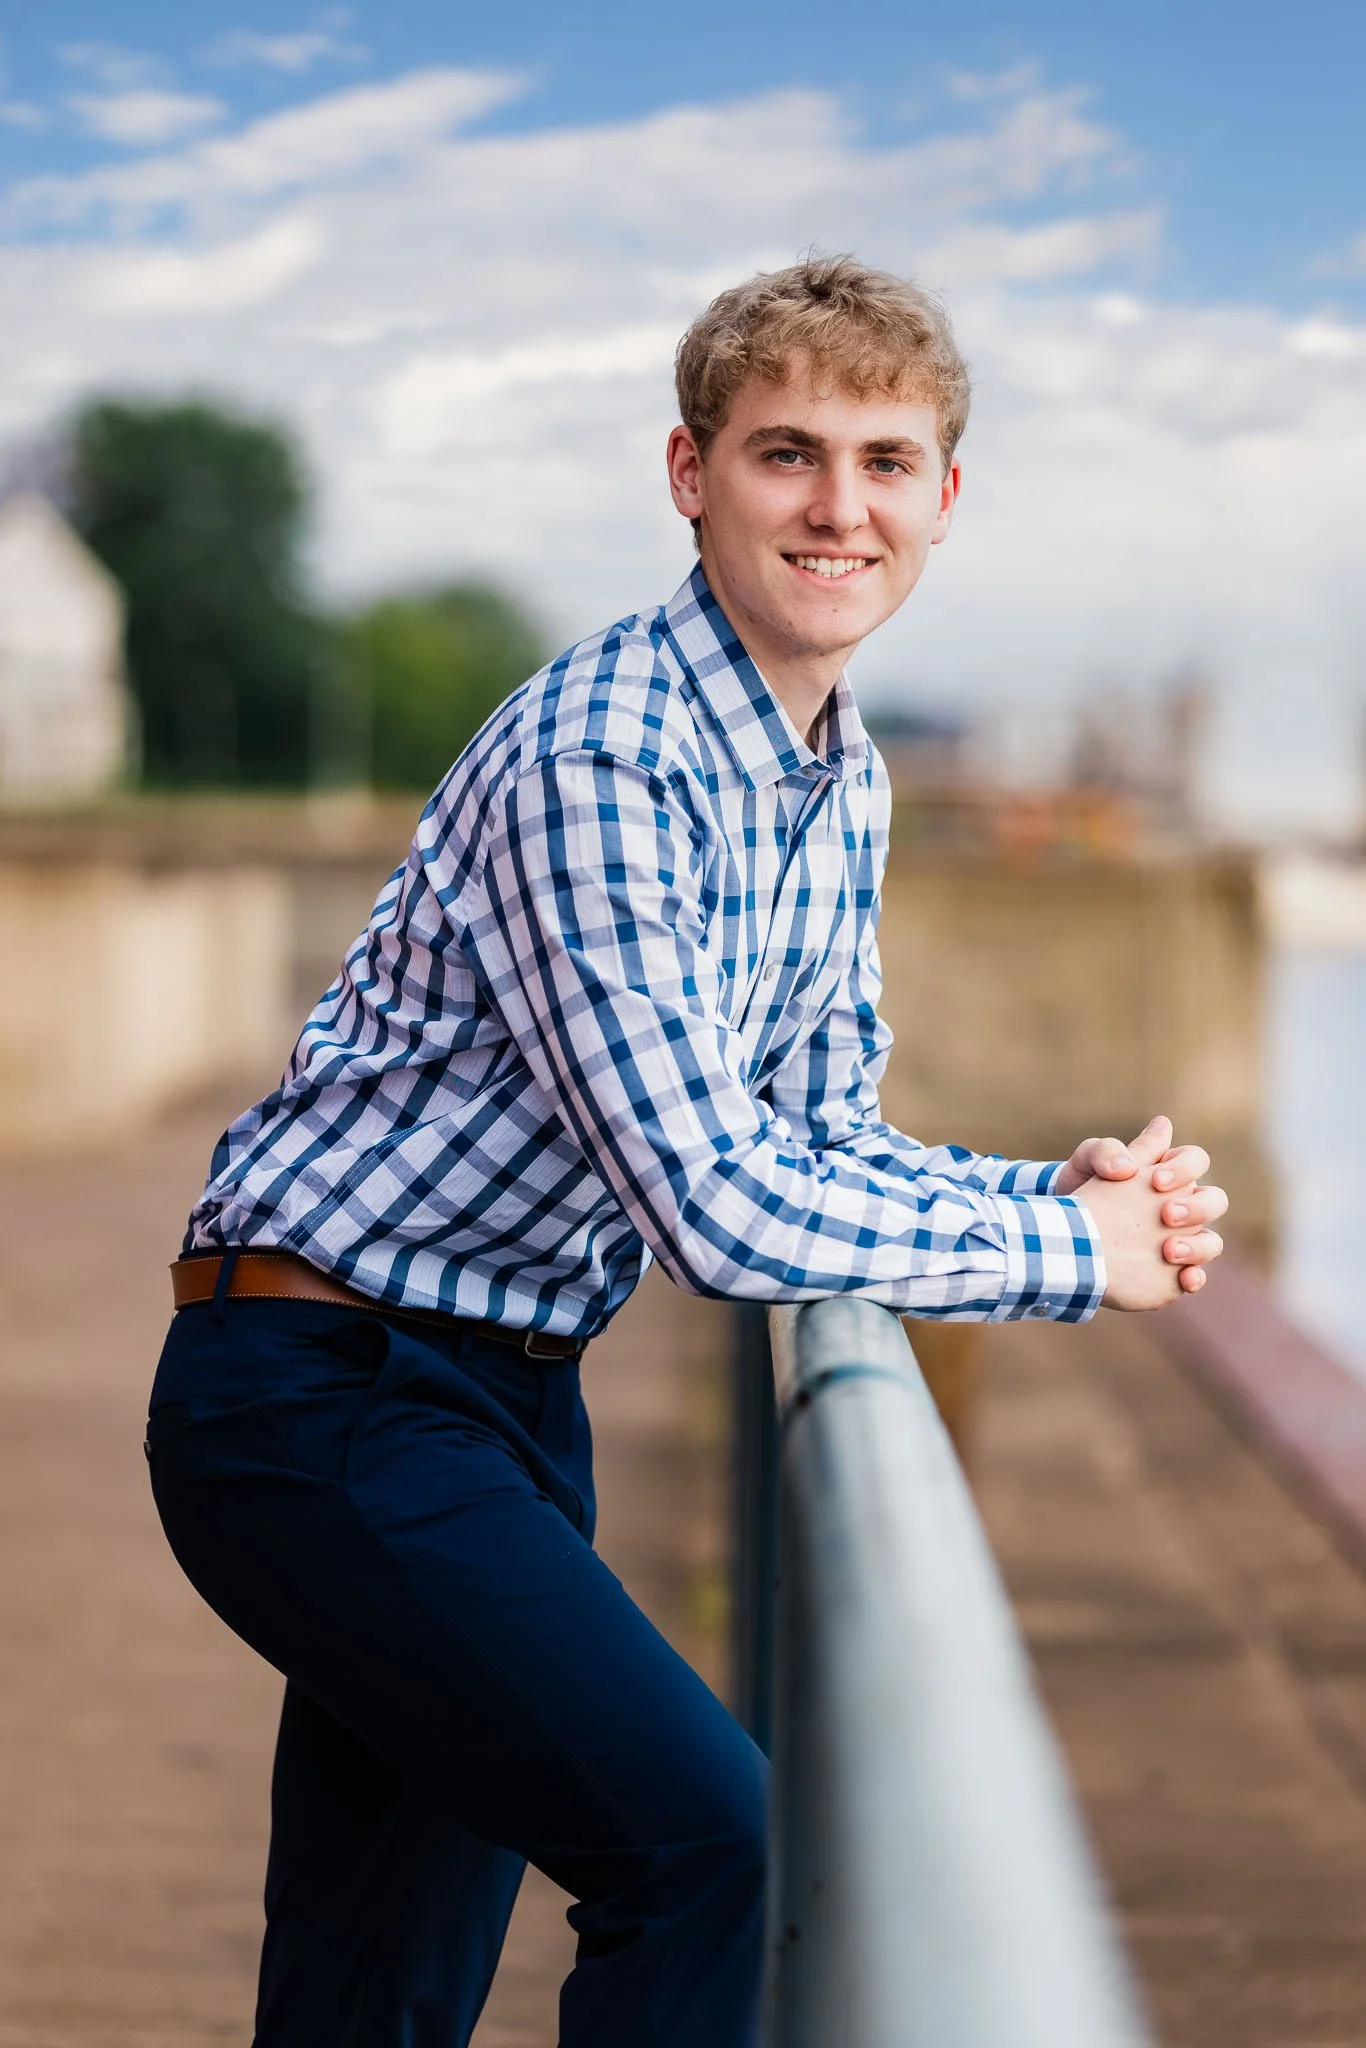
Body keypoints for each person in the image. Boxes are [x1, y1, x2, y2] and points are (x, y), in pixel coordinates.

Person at [146, 255, 1227, 2047]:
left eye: (887, 463)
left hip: (496, 1395)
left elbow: (811, 1140)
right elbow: (714, 1208)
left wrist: (1038, 1194)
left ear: (944, 503)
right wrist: (1072, 1266)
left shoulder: (836, 775)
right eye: (786, 452)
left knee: (372, 1991)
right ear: (690, 474)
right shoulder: (606, 752)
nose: (837, 506)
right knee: (713, 1848)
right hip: (321, 1394)